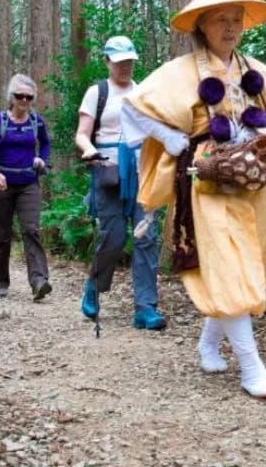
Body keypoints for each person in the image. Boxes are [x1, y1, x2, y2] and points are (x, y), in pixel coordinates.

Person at [122, 0, 266, 398]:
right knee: (227, 266)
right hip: (208, 181)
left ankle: (208, 342)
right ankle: (252, 368)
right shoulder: (181, 72)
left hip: (255, 181)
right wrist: (171, 138)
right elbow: (136, 108)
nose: (230, 27)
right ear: (201, 26)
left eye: (236, 19)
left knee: (248, 265)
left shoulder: (252, 68)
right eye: (220, 19)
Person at [75, 36, 165, 330]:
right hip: (108, 171)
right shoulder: (97, 92)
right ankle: (95, 284)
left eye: (129, 61)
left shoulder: (144, 92)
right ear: (107, 62)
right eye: (119, 61)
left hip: (143, 171)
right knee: (112, 236)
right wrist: (88, 149)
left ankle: (145, 307)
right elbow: (82, 133)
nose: (125, 66)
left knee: (146, 237)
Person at [0, 74, 53, 300]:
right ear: (11, 97)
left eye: (28, 96)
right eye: (19, 96)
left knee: (31, 229)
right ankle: (1, 281)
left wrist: (42, 159)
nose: (23, 100)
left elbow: (46, 143)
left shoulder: (37, 121)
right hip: (2, 184)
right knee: (3, 233)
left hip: (28, 183)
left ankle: (39, 280)